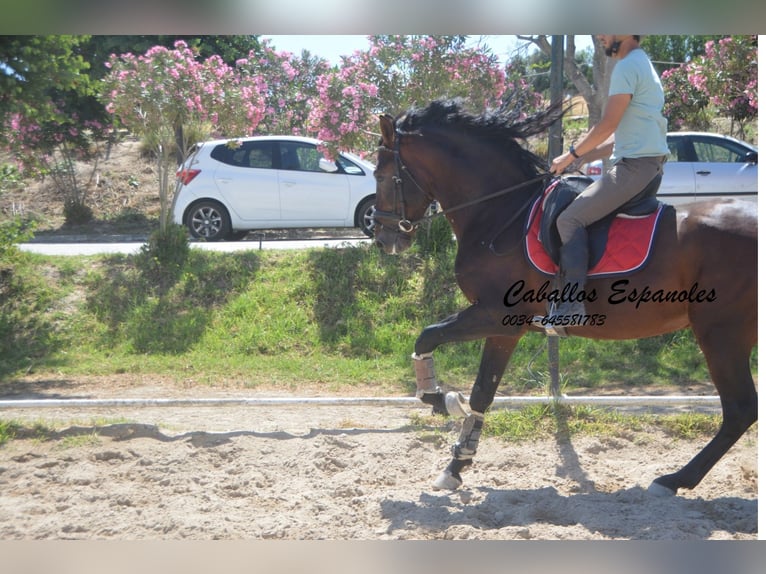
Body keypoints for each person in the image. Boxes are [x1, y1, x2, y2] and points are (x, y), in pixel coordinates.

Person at [547, 35, 669, 329]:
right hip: (645, 166)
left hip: (634, 170)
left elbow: (608, 124)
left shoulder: (626, 67)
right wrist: (582, 158)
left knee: (569, 220)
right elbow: (623, 136)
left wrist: (569, 155)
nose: (600, 35)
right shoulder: (643, 63)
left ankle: (571, 304)